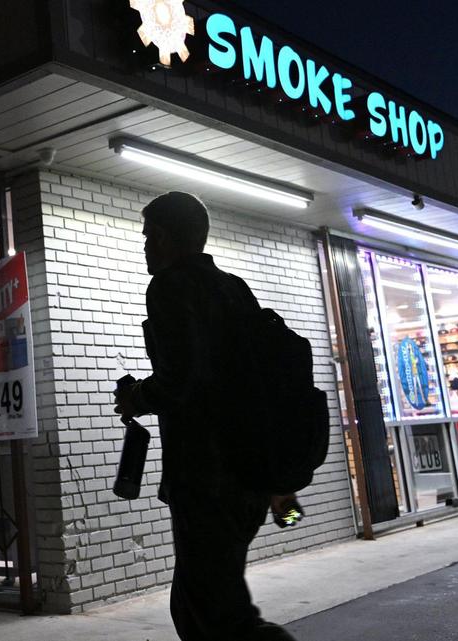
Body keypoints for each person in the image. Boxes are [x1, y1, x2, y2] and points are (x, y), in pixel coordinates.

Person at [114, 192, 298, 641]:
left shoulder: (171, 286)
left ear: (160, 236)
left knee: (218, 619)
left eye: (145, 237)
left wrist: (136, 397)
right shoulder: (233, 287)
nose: (143, 247)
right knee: (200, 605)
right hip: (249, 475)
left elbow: (182, 379)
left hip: (207, 478)